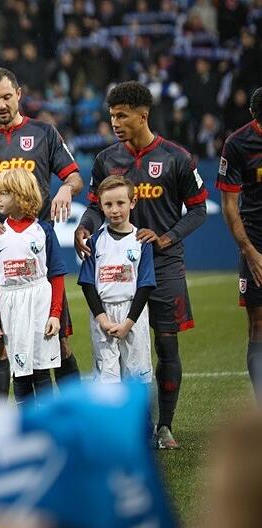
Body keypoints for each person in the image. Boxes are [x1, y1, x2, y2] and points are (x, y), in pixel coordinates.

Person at [75, 81, 208, 449]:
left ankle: (163, 427)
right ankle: (123, 427)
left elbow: (198, 209)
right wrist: (84, 228)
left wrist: (166, 237)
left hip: (162, 264)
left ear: (143, 115)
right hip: (116, 267)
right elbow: (90, 204)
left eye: (122, 115)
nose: (114, 122)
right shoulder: (106, 160)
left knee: (166, 345)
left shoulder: (175, 157)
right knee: (115, 350)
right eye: (112, 115)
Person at [0, 68, 83, 401]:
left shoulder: (44, 132)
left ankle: (75, 413)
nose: (1, 104)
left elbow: (74, 177)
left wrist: (66, 191)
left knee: (58, 338)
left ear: (19, 93)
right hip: (0, 250)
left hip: (37, 252)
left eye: (6, 96)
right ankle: (0, 422)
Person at [0, 169, 67, 404]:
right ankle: (26, 431)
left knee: (41, 368)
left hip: (39, 300)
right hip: (11, 303)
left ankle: (49, 429)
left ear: (21, 195)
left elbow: (57, 275)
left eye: (4, 193)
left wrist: (55, 314)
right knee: (20, 370)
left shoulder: (43, 231)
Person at [77, 175, 156, 383]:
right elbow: (87, 284)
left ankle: (141, 418)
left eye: (120, 203)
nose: (114, 209)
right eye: (108, 204)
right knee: (106, 383)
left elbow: (145, 285)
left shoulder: (142, 241)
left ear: (132, 202)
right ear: (101, 207)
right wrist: (102, 320)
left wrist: (128, 324)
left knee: (137, 380)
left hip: (133, 315)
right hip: (102, 315)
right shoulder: (94, 242)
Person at [218, 87, 262, 403]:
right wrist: (250, 252)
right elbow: (230, 205)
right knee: (258, 325)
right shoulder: (238, 144)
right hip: (256, 242)